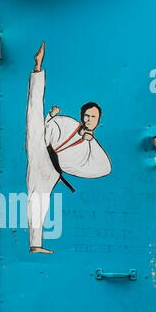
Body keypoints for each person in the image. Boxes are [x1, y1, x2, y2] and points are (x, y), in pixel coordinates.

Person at [26, 42, 111, 254]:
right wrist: (51, 116)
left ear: (99, 121)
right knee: (35, 112)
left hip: (52, 168)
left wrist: (88, 141)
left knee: (40, 200)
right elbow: (47, 128)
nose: (90, 119)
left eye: (94, 117)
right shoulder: (68, 123)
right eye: (87, 116)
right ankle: (38, 69)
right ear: (82, 116)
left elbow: (103, 168)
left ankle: (36, 245)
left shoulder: (94, 148)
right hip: (41, 146)